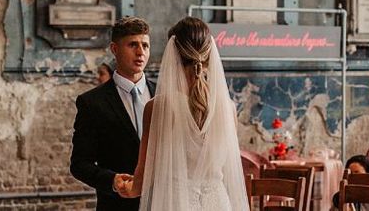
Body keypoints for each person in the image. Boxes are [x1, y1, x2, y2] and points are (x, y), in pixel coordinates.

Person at [114, 17, 248, 211]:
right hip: (219, 204)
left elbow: (142, 179)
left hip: (175, 204)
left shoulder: (158, 107)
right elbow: (231, 172)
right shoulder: (228, 108)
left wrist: (126, 187)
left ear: (173, 54)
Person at [70, 17, 153, 210]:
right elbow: (79, 164)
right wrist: (112, 180)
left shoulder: (164, 96)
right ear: (114, 49)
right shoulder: (91, 103)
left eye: (145, 46)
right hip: (117, 205)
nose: (140, 52)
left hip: (162, 203)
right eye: (133, 45)